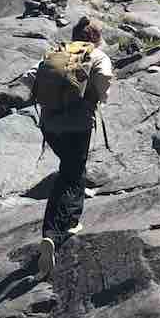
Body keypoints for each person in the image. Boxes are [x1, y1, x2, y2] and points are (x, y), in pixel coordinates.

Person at [36, 16, 113, 279]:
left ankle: (67, 222)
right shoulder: (98, 55)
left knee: (70, 169)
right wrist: (98, 96)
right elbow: (104, 83)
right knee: (71, 173)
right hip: (77, 125)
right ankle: (53, 233)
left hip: (49, 124)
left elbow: (29, 79)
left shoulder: (57, 52)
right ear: (96, 37)